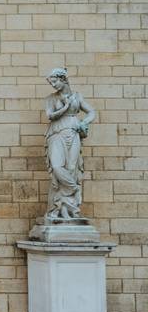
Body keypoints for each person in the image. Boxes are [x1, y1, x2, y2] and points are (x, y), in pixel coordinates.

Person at [44, 68, 96, 220]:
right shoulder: (51, 98)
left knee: (71, 169)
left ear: (63, 79)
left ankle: (66, 208)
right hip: (57, 133)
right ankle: (74, 189)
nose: (53, 85)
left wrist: (84, 122)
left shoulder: (77, 96)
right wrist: (66, 107)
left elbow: (92, 112)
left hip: (73, 133)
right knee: (57, 167)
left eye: (54, 82)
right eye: (51, 83)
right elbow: (50, 115)